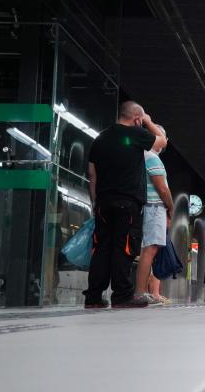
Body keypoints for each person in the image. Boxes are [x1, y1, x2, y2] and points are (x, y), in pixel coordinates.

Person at [83, 101, 167, 309]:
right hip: (127, 202)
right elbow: (161, 142)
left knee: (101, 248)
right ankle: (122, 296)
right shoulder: (136, 134)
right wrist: (148, 121)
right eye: (140, 119)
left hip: (103, 202)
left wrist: (95, 203)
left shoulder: (100, 139)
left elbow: (92, 175)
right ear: (137, 118)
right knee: (124, 248)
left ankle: (93, 297)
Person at [135, 125, 173, 306]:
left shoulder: (144, 157)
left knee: (149, 250)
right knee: (149, 250)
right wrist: (171, 208)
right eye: (162, 137)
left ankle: (143, 292)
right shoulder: (151, 157)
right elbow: (162, 189)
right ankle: (140, 292)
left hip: (149, 207)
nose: (165, 141)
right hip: (154, 207)